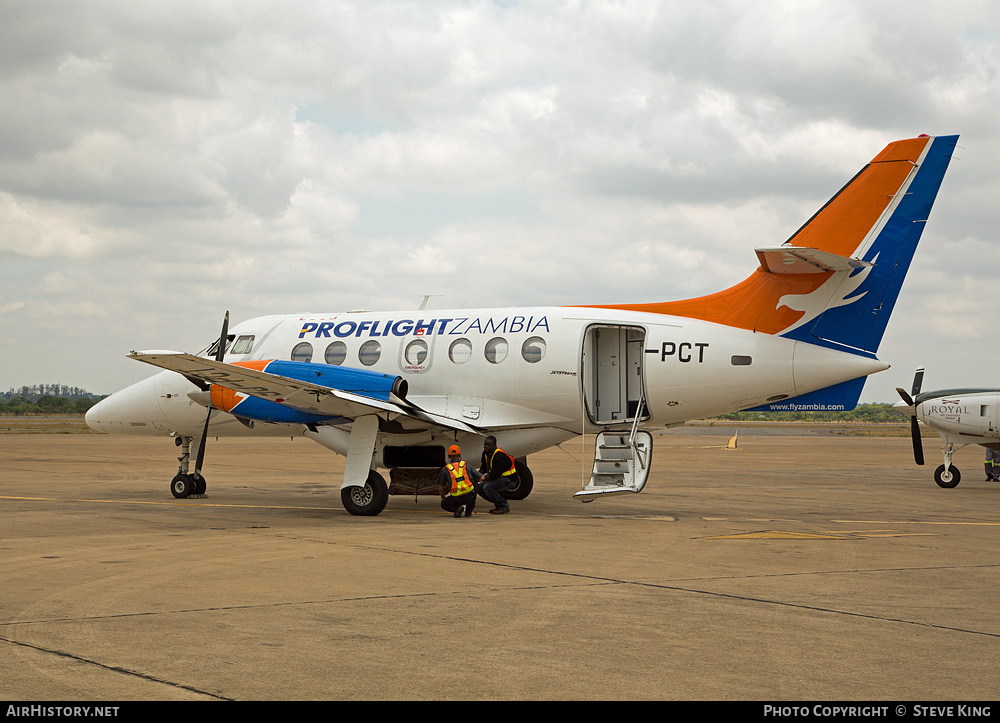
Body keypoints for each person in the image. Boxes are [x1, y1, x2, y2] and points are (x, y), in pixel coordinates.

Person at [477, 435, 520, 515]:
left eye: (488, 445)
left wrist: (481, 478)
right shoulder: (485, 453)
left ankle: (503, 506)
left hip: (509, 480)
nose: (486, 446)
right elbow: (484, 468)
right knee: (479, 488)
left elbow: (494, 474)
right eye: (485, 444)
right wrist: (476, 476)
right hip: (499, 478)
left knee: (487, 487)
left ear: (494, 446)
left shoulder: (499, 456)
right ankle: (498, 503)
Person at [437, 444, 480, 517]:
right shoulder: (466, 465)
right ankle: (469, 511)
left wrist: (443, 498)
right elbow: (481, 478)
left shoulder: (446, 469)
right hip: (469, 497)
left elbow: (440, 488)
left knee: (444, 504)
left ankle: (457, 508)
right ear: (459, 455)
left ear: (449, 457)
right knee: (474, 484)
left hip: (455, 499)